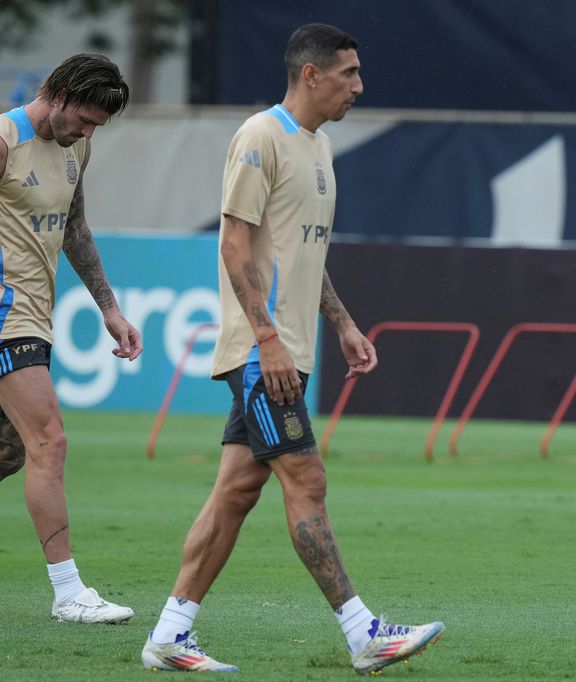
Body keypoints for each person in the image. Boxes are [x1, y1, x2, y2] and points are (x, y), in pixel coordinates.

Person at [140, 24, 443, 674]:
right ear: (311, 75)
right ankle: (363, 633)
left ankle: (169, 634)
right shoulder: (258, 137)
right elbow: (232, 245)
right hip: (261, 353)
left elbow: (302, 253)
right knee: (307, 478)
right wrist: (269, 340)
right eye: (349, 74)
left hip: (289, 348)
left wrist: (343, 323)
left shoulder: (320, 146)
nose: (359, 87)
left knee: (234, 494)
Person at [0, 53, 142, 624]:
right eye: (82, 121)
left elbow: (75, 228)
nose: (86, 134)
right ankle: (68, 593)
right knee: (48, 442)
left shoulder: (75, 148)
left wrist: (109, 308)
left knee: (11, 450)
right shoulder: (5, 139)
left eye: (94, 129)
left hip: (38, 315)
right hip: (7, 314)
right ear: (56, 92)